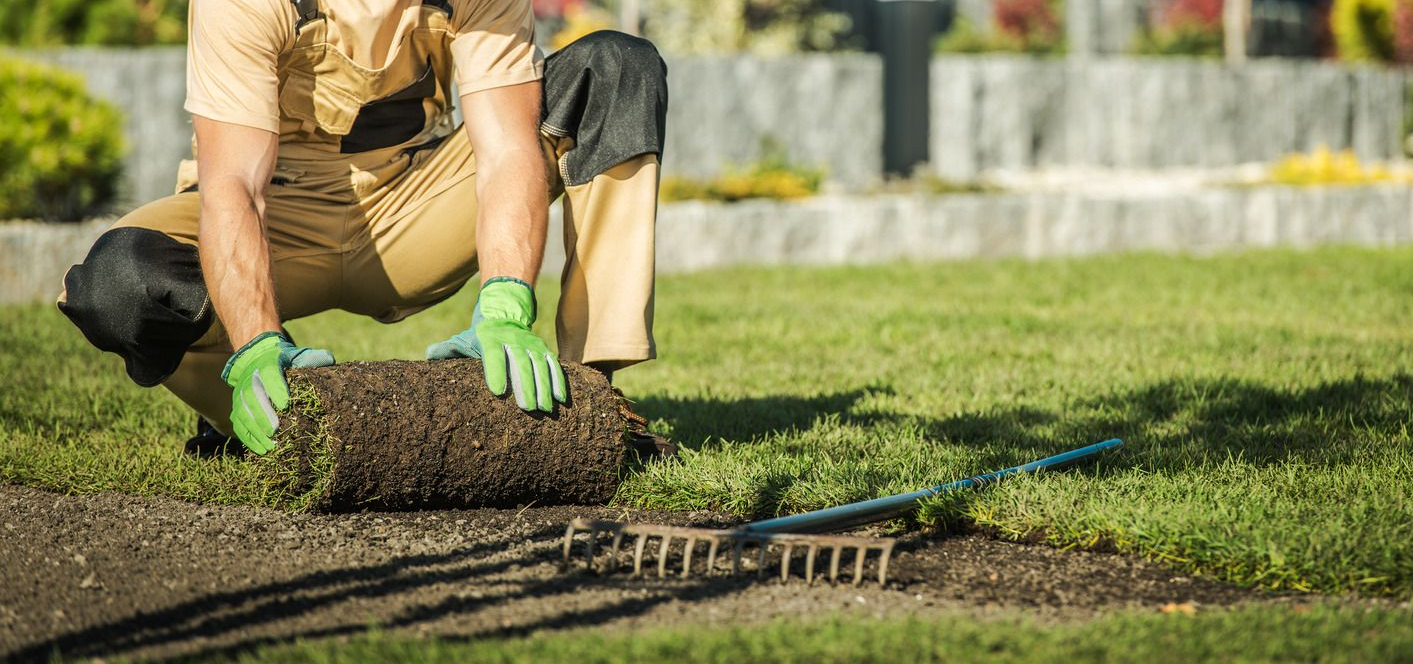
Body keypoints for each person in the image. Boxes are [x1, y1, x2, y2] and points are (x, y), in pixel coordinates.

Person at [58, 0, 666, 457]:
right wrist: (255, 345)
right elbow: (235, 188)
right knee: (116, 284)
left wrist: (506, 300)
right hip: (276, 221)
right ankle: (245, 415)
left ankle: (591, 410)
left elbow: (508, 151)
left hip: (410, 204)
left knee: (615, 67)